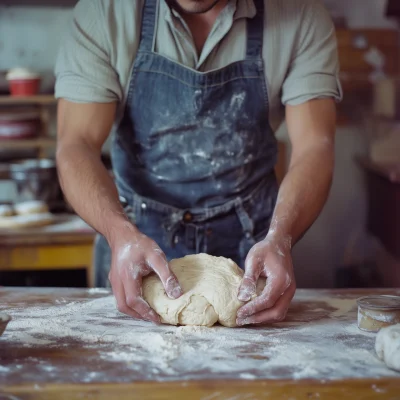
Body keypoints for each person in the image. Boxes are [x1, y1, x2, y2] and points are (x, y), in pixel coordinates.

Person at [55, 0, 341, 326]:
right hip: (136, 243)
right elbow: (76, 145)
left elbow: (314, 147)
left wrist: (281, 236)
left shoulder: (299, 14)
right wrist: (118, 233)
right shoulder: (104, 12)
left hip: (252, 252)